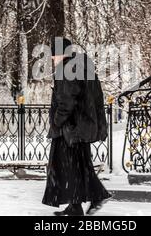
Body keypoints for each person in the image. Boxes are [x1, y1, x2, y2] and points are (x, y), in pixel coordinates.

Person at [42, 37, 112, 216]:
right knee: (78, 166)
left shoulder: (67, 69)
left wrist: (57, 121)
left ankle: (96, 196)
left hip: (70, 129)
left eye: (53, 55)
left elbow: (66, 101)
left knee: (67, 167)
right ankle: (75, 205)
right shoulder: (81, 66)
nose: (52, 59)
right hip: (81, 127)